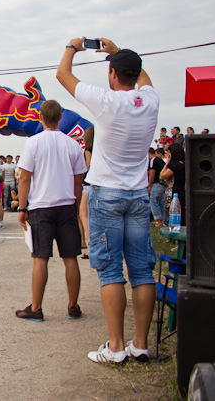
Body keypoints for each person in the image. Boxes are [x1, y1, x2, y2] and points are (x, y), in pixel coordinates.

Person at [57, 37, 158, 365]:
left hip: (106, 194)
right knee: (142, 271)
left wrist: (73, 47)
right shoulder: (150, 102)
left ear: (113, 75)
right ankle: (140, 344)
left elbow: (62, 75)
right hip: (138, 195)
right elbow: (145, 80)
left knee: (111, 272)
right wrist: (116, 51)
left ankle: (115, 346)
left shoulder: (105, 102)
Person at [15, 100, 87, 322]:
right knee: (70, 257)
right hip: (66, 205)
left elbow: (25, 177)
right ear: (60, 118)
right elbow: (78, 181)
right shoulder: (73, 145)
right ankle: (73, 305)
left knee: (40, 258)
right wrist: (75, 208)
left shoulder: (33, 143)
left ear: (40, 118)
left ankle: (36, 308)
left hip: (40, 207)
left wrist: (22, 207)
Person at [79, 127, 94, 258]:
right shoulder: (102, 149)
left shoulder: (89, 149)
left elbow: (88, 166)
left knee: (83, 215)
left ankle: (91, 247)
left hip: (89, 184)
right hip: (101, 184)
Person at [160, 143, 186, 217]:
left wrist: (167, 163)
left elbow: (162, 176)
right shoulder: (182, 164)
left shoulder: (176, 165)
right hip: (179, 190)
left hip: (175, 191)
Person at [148, 147, 167, 229]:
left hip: (156, 184)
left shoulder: (153, 160)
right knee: (162, 203)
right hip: (163, 184)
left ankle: (159, 221)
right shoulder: (161, 160)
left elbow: (152, 174)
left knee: (154, 202)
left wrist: (149, 186)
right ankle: (163, 221)